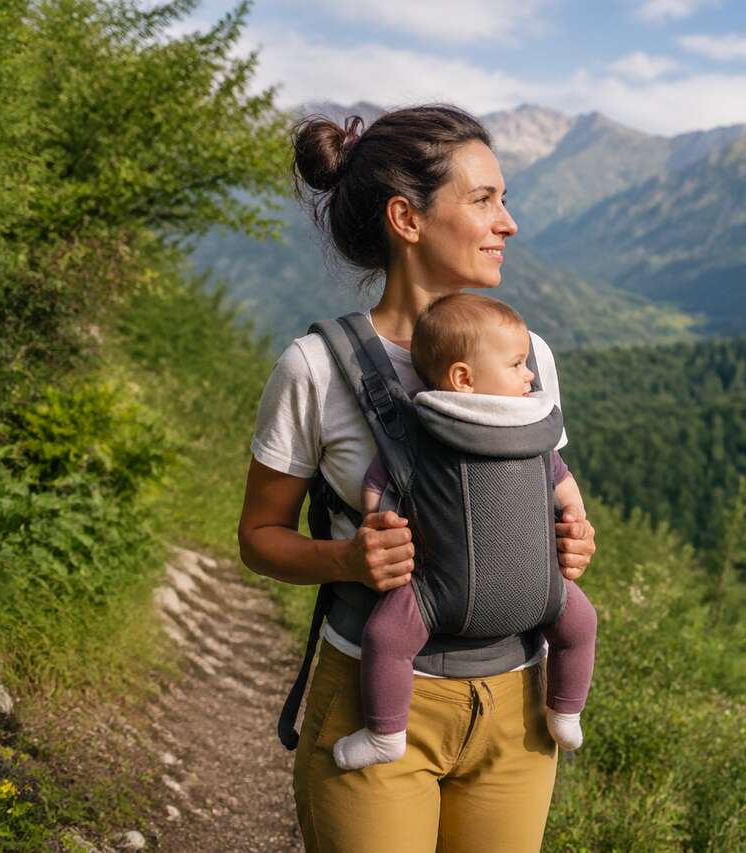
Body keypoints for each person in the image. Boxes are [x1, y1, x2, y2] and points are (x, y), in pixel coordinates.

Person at [238, 105, 597, 853]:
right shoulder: (316, 368)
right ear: (406, 218)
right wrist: (346, 559)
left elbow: (544, 490)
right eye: (484, 199)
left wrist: (570, 538)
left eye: (503, 199)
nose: (508, 223)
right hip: (373, 701)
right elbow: (258, 537)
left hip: (519, 706)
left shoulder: (528, 354)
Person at [333, 292, 597, 771]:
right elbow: (380, 482)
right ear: (463, 378)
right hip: (450, 595)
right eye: (516, 365)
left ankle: (565, 710)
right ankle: (386, 734)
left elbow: (562, 481)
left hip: (498, 598)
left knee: (581, 624)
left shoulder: (530, 424)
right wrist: (378, 526)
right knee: (387, 637)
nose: (530, 375)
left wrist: (577, 520)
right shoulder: (422, 431)